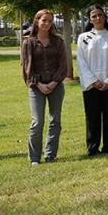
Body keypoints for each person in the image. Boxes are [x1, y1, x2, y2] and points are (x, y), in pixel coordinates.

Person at [21, 9, 69, 166]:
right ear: (37, 21)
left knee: (55, 120)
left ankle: (50, 155)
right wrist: (40, 85)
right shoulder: (28, 42)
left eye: (50, 21)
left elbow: (63, 65)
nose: (47, 24)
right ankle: (34, 158)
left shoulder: (58, 41)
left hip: (56, 85)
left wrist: (54, 82)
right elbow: (27, 68)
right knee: (37, 121)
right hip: (37, 87)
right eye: (44, 20)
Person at [76, 5, 108, 156]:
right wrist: (93, 81)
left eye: (100, 15)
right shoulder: (83, 38)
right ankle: (93, 147)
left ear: (104, 17)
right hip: (91, 85)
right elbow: (81, 62)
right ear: (89, 19)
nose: (97, 18)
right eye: (94, 16)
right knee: (92, 117)